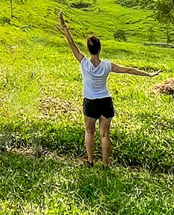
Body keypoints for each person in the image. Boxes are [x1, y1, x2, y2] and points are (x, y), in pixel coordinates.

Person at [58, 12, 160, 167]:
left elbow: (72, 46)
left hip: (90, 102)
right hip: (105, 101)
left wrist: (65, 29)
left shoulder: (83, 62)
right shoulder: (107, 65)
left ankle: (90, 161)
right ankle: (106, 164)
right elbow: (128, 70)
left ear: (89, 49)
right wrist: (149, 75)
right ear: (100, 49)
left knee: (89, 132)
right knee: (105, 135)